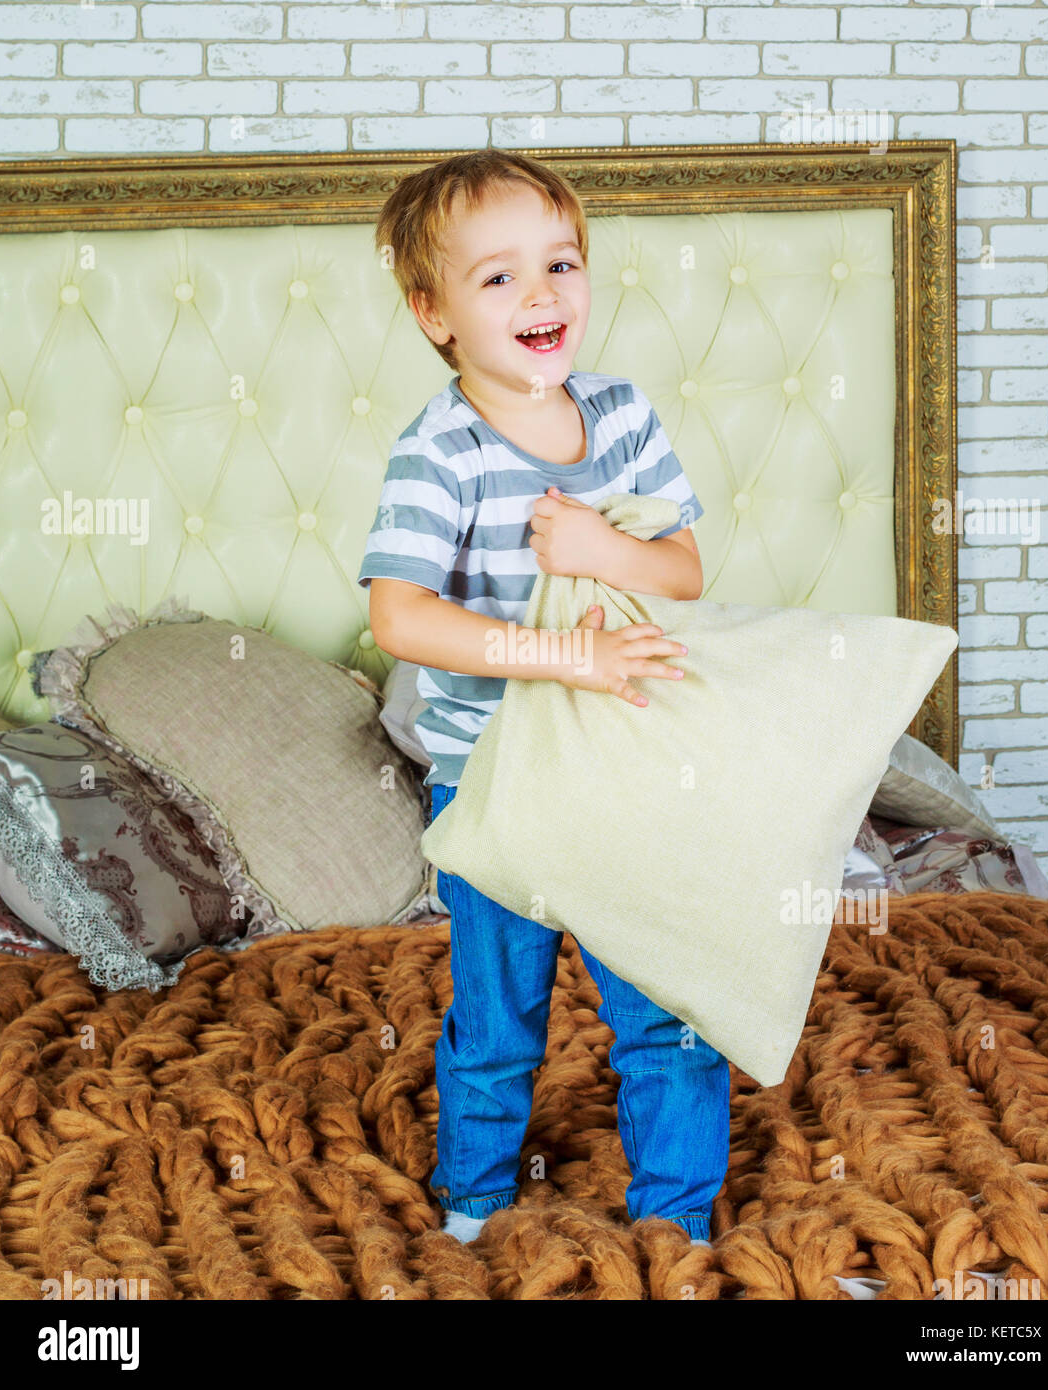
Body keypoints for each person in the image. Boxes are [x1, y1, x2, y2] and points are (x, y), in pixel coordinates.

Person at [357, 149, 730, 1248]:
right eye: (498, 278)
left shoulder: (618, 413)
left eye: (560, 263)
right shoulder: (441, 452)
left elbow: (684, 573)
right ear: (433, 313)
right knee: (498, 1017)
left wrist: (601, 545)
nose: (541, 295)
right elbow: (401, 619)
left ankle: (676, 1223)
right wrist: (559, 657)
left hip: (621, 772)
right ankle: (474, 1203)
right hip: (499, 784)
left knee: (666, 1014)